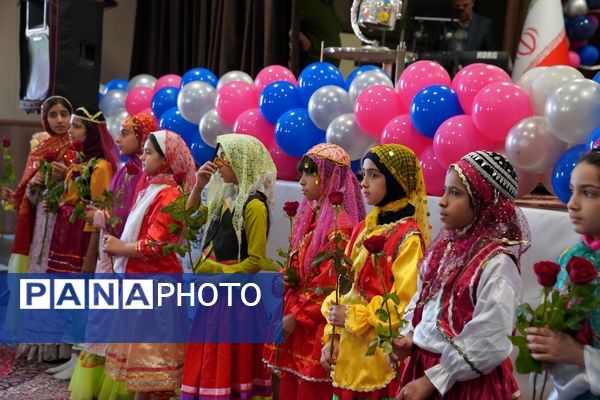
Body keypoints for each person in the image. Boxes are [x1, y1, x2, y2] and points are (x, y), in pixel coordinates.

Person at [393, 151, 530, 400]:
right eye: (445, 191)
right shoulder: (444, 250)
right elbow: (424, 299)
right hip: (425, 369)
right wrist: (412, 335)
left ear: (484, 202)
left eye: (456, 193)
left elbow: (491, 333)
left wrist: (439, 376)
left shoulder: (496, 262)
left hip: (466, 383)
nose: (442, 201)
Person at [321, 144, 431, 400]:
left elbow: (404, 305)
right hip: (348, 351)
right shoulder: (363, 229)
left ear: (395, 181)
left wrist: (352, 315)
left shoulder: (408, 238)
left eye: (374, 175)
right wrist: (332, 337)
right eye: (363, 175)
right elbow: (344, 287)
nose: (364, 183)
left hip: (379, 355)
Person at [263, 143, 365, 399]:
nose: (301, 181)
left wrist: (296, 316)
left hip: (315, 324)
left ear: (329, 177)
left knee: (308, 390)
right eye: (302, 174)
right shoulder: (315, 213)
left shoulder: (339, 225)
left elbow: (330, 282)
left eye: (309, 173)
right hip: (299, 316)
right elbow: (301, 260)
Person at [68, 113, 158, 400]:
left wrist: (101, 217)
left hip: (123, 256)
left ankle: (113, 384)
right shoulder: (124, 170)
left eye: (125, 134)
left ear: (143, 139)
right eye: (118, 133)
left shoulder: (142, 177)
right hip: (110, 254)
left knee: (114, 320)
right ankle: (94, 379)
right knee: (101, 317)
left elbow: (130, 221)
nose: (117, 139)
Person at [101, 129, 196, 400]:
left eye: (149, 152)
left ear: (166, 159)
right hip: (141, 281)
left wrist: (121, 247)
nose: (142, 156)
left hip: (157, 285)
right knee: (143, 371)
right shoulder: (151, 187)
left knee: (154, 368)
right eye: (143, 150)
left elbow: (157, 245)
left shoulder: (169, 195)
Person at [181, 134, 277, 400]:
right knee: (209, 357)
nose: (217, 164)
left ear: (241, 163)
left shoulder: (254, 205)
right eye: (217, 157)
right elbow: (188, 225)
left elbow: (256, 260)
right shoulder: (225, 199)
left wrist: (219, 274)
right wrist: (198, 186)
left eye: (224, 158)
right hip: (215, 295)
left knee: (225, 357)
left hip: (235, 299)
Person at [41, 107, 118, 380]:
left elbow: (99, 210)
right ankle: (73, 356)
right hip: (67, 236)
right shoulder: (81, 162)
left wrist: (90, 253)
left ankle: (81, 357)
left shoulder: (100, 167)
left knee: (82, 298)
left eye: (76, 126)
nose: (70, 130)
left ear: (91, 132)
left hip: (83, 240)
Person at [1, 95, 73, 362]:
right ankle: (37, 345)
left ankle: (60, 347)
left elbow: (87, 192)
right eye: (53, 115)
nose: (60, 120)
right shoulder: (39, 149)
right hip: (42, 224)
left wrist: (66, 175)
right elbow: (28, 197)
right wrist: (36, 184)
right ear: (45, 118)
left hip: (67, 226)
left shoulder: (80, 148)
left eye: (64, 114)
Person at [525, 147, 600, 399]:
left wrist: (578, 355)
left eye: (588, 193)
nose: (572, 203)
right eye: (572, 190)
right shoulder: (572, 256)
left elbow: (575, 349)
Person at [298, 0, 341, 70]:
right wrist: (307, 45)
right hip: (312, 67)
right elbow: (286, 22)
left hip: (330, 70)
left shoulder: (328, 6)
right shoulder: (307, 3)